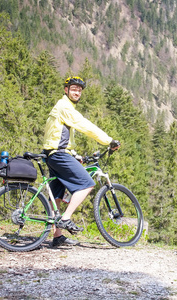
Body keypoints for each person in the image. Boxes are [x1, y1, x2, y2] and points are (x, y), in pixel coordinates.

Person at [43, 76, 120, 247]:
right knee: (87, 183)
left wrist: (74, 154)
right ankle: (66, 218)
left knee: (57, 193)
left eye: (79, 90)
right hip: (58, 154)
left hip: (53, 153)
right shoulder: (65, 107)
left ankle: (57, 236)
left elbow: (58, 135)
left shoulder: (62, 106)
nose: (77, 92)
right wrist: (108, 141)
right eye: (74, 89)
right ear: (66, 90)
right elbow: (84, 125)